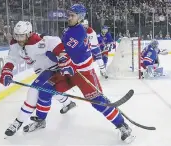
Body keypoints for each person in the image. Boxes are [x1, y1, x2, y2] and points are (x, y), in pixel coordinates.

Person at [46, 4, 135, 143]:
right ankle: (65, 104)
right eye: (69, 15)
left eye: (72, 15)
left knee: (97, 102)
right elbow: (63, 53)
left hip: (83, 73)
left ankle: (122, 125)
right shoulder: (69, 29)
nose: (69, 17)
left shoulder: (78, 32)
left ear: (80, 18)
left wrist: (50, 51)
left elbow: (63, 53)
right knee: (49, 88)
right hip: (71, 70)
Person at [0, 21, 76, 136]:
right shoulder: (15, 43)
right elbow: (12, 58)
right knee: (48, 91)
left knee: (33, 91)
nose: (19, 39)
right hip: (43, 71)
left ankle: (19, 122)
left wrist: (61, 56)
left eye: (22, 36)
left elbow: (55, 41)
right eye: (17, 35)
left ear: (29, 34)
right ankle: (68, 103)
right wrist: (7, 71)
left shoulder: (37, 41)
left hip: (54, 68)